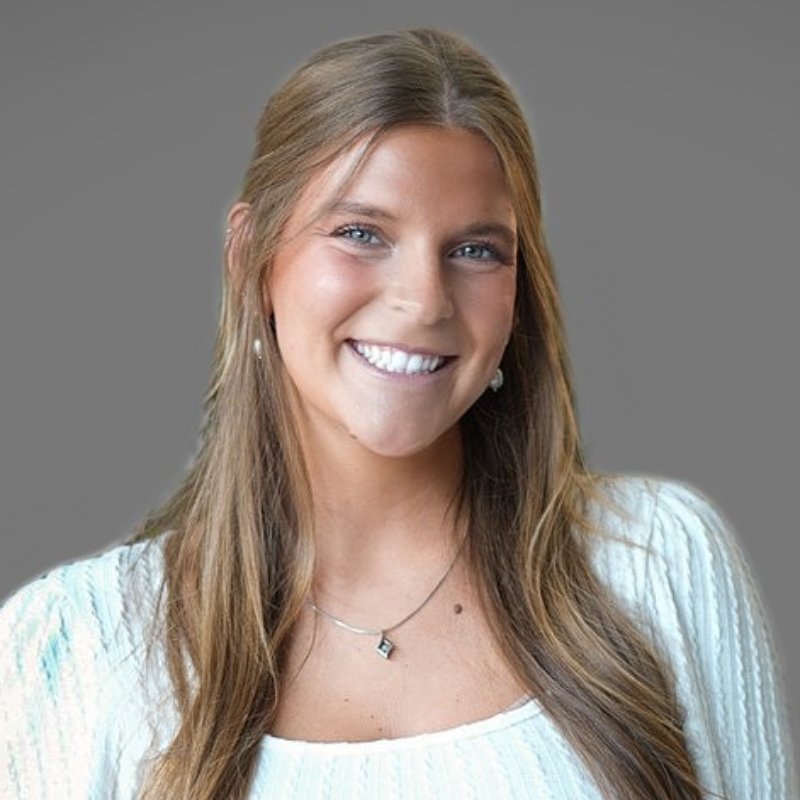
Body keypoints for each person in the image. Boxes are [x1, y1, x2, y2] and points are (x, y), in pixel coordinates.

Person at [0, 27, 795, 800]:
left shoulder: (656, 562)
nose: (422, 301)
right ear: (251, 259)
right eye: (360, 233)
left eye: (476, 249)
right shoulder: (84, 645)